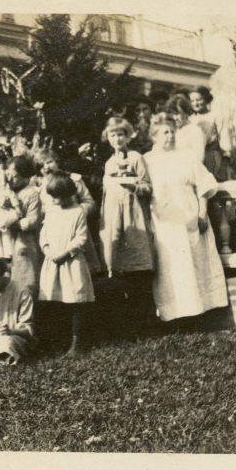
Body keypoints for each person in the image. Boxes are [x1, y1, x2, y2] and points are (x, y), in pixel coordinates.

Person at [142, 114, 228, 322]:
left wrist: (202, 212)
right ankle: (175, 317)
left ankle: (200, 314)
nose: (170, 136)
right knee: (171, 267)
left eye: (172, 131)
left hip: (190, 216)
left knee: (196, 263)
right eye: (165, 132)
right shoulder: (147, 161)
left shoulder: (186, 156)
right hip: (164, 221)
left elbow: (204, 184)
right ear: (154, 136)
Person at [98, 117, 156, 322]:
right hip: (115, 216)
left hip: (134, 214)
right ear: (108, 138)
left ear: (127, 136)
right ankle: (126, 318)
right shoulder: (108, 163)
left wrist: (134, 187)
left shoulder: (136, 158)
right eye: (112, 135)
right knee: (117, 261)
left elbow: (147, 186)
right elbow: (107, 194)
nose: (117, 139)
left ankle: (145, 318)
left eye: (120, 134)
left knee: (138, 261)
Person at [38, 171, 96, 356]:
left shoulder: (77, 212)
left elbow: (81, 238)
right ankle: (58, 340)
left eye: (57, 196)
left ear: (66, 194)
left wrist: (64, 253)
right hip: (52, 261)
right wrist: (48, 251)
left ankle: (77, 343)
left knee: (75, 300)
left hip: (71, 263)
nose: (54, 200)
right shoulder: (51, 211)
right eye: (52, 196)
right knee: (55, 300)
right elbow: (44, 235)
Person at [35, 148, 102, 275]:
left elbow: (90, 203)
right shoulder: (42, 185)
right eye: (41, 165)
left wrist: (75, 213)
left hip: (73, 229)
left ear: (57, 161)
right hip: (53, 231)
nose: (46, 167)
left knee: (79, 271)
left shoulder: (73, 179)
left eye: (49, 162)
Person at [5, 155, 42, 292]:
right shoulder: (6, 191)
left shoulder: (31, 193)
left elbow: (32, 221)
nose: (10, 179)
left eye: (15, 176)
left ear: (25, 176)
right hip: (6, 243)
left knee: (25, 284)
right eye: (8, 175)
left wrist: (9, 222)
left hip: (24, 242)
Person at [188, 86, 231, 182]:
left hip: (212, 155)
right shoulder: (190, 119)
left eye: (198, 100)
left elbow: (223, 136)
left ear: (206, 99)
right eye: (192, 101)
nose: (195, 103)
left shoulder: (215, 116)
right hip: (195, 157)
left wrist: (226, 155)